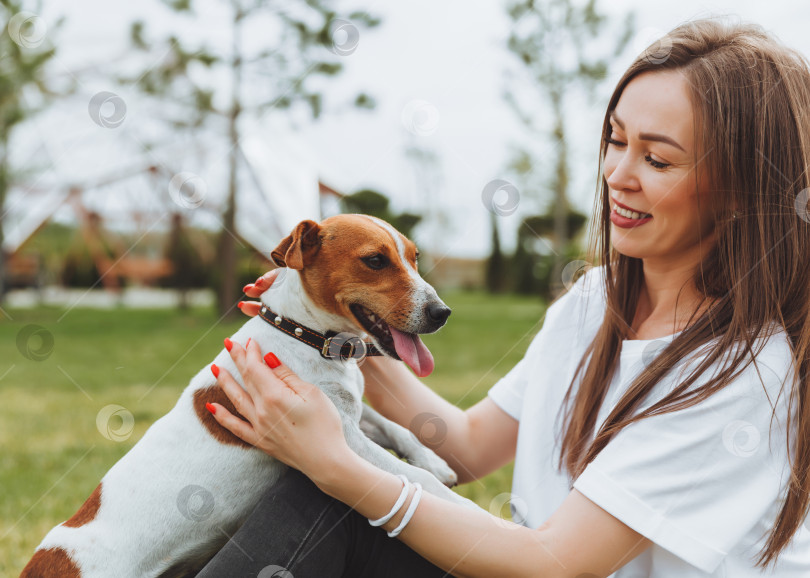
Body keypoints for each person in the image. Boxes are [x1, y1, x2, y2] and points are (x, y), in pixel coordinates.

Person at [197, 17, 810, 577]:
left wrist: (335, 465)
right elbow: (464, 446)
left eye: (656, 157)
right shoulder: (595, 302)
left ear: (739, 188)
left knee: (323, 494)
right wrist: (331, 328)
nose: (618, 174)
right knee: (314, 503)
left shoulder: (744, 374)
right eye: (615, 139)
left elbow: (557, 564)